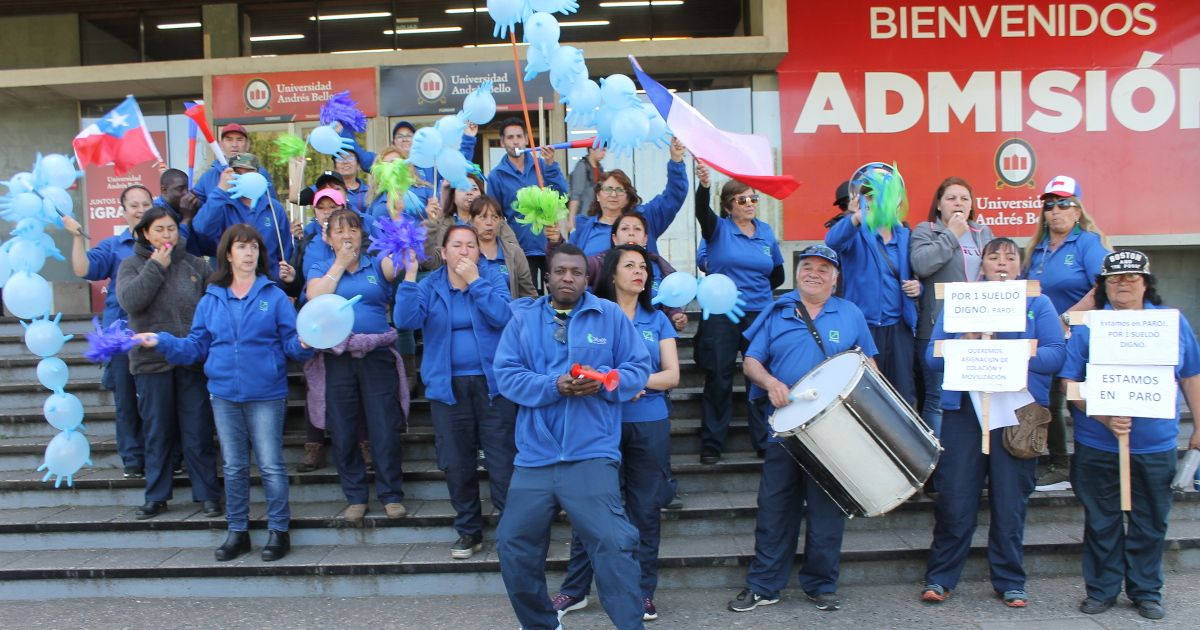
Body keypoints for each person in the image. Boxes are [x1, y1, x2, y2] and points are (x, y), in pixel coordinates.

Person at [493, 243, 651, 630]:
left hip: (591, 454)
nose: (568, 278)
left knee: (614, 544)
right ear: (548, 276)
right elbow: (507, 374)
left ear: (587, 278)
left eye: (576, 272)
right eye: (560, 271)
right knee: (513, 546)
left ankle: (631, 625)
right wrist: (553, 385)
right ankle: (541, 624)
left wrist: (607, 383)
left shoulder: (609, 315)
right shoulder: (522, 319)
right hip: (534, 458)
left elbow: (638, 366)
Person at [136, 224, 312, 562]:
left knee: (271, 465)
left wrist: (304, 344)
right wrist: (162, 340)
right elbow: (195, 347)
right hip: (224, 393)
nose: (249, 253)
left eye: (254, 248)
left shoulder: (273, 296)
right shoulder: (212, 298)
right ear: (228, 254)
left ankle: (279, 530)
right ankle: (238, 531)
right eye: (242, 247)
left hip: (266, 392)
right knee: (233, 466)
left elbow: (291, 343)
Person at [729, 245, 878, 614]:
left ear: (835, 277)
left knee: (827, 512)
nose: (814, 273)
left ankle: (822, 584)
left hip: (835, 433)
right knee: (775, 508)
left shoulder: (851, 313)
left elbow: (869, 366)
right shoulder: (779, 309)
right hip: (785, 430)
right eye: (807, 266)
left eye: (823, 268)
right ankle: (764, 584)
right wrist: (770, 383)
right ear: (797, 272)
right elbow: (751, 361)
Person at [920, 237, 1065, 608]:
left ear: (1021, 266)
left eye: (1010, 257)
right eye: (993, 256)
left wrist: (1008, 353)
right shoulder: (961, 302)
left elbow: (1055, 355)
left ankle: (1010, 580)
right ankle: (941, 577)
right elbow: (932, 359)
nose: (1002, 262)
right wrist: (963, 342)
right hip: (966, 414)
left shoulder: (1038, 302)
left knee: (1009, 502)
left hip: (1017, 416)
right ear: (980, 265)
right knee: (955, 499)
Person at [1060, 250, 1200, 621]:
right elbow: (1069, 384)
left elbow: (1190, 374)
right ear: (1104, 286)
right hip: (1098, 442)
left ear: (1146, 283)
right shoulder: (1088, 326)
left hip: (1155, 443)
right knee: (1102, 520)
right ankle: (1102, 589)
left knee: (1151, 521)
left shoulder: (1171, 324)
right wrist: (1104, 417)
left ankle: (1146, 590)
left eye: (1131, 278)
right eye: (1115, 279)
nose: (1123, 284)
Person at [552, 244, 680, 622]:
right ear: (611, 273)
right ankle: (575, 590)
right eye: (630, 265)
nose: (639, 272)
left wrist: (633, 380)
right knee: (590, 509)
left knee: (644, 509)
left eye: (643, 267)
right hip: (598, 425)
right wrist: (619, 382)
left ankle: (642, 593)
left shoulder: (657, 319)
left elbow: (672, 374)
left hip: (647, 422)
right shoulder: (593, 315)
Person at [394, 225, 515, 559]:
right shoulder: (430, 285)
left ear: (479, 251)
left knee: (502, 461)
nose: (464, 252)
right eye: (457, 245)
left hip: (493, 386)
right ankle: (468, 530)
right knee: (457, 463)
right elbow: (405, 320)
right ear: (443, 253)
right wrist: (409, 276)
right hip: (447, 389)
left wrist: (476, 282)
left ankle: (511, 531)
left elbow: (504, 316)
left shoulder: (491, 277)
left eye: (471, 246)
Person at [116, 206, 224, 520]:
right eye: (160, 230)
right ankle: (157, 495)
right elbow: (131, 302)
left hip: (191, 360)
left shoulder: (195, 264)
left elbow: (211, 306)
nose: (167, 235)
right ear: (145, 233)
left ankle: (207, 495)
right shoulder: (131, 265)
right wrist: (155, 267)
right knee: (157, 431)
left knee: (197, 431)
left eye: (172, 229)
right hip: (152, 363)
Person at [306, 209, 407, 524]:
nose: (346, 234)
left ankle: (391, 494)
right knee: (344, 427)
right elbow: (314, 298)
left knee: (384, 425)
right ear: (328, 238)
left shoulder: (375, 263)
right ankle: (356, 495)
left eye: (352, 228)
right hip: (339, 357)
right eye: (339, 230)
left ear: (362, 234)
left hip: (376, 354)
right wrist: (339, 263)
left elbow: (400, 262)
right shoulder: (321, 266)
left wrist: (401, 222)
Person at [1022, 175, 1111, 491]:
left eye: (1063, 204)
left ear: (1077, 210)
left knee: (1073, 396)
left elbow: (1103, 286)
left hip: (1079, 336)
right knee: (1049, 397)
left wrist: (1066, 319)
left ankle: (1079, 463)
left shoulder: (1087, 242)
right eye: (1049, 205)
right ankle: (1056, 460)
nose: (1055, 211)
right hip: (1044, 337)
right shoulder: (1038, 249)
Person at [693, 164, 785, 462]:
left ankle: (763, 440)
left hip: (758, 312)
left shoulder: (767, 231)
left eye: (753, 199)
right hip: (722, 313)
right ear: (728, 206)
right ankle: (712, 444)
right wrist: (704, 186)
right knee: (719, 376)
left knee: (758, 377)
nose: (749, 204)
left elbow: (778, 274)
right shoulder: (718, 229)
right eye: (742, 200)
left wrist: (755, 293)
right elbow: (701, 213)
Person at [62, 185, 148, 479]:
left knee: (156, 402)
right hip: (120, 337)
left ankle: (164, 455)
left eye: (145, 204)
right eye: (134, 205)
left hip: (156, 334)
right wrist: (76, 237)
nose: (140, 210)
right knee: (126, 401)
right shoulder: (113, 246)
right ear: (123, 211)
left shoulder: (165, 243)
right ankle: (133, 459)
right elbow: (82, 268)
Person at [826, 163, 921, 409]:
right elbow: (832, 243)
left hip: (899, 327)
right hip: (864, 327)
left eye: (882, 194)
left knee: (904, 396)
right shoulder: (855, 232)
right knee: (865, 396)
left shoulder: (906, 235)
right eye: (869, 194)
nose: (876, 200)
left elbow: (919, 270)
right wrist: (856, 217)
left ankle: (906, 447)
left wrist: (917, 287)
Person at [910, 177, 995, 436]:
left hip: (979, 331)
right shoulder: (925, 231)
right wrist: (951, 235)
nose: (958, 203)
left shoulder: (984, 233)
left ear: (972, 205)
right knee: (937, 399)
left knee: (978, 397)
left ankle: (972, 459)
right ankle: (937, 464)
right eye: (951, 198)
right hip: (938, 328)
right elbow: (921, 265)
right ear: (938, 205)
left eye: (964, 198)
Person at [550, 212, 688, 331]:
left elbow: (670, 299)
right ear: (614, 238)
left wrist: (675, 315)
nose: (631, 233)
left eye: (637, 229)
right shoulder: (600, 262)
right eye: (625, 229)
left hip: (649, 333)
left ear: (645, 238)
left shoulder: (659, 266)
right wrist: (556, 242)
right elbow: (572, 265)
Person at [556, 138, 688, 257]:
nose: (613, 194)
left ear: (627, 196)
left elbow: (673, 196)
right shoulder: (584, 228)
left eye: (619, 190)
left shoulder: (646, 218)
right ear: (597, 195)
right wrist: (554, 241)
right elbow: (569, 261)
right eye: (608, 189)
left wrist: (676, 160)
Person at [487, 118, 568, 290]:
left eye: (519, 136)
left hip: (549, 243)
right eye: (510, 137)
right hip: (519, 249)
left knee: (559, 293)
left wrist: (551, 165)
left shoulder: (543, 164)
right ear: (502, 142)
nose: (515, 141)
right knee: (528, 297)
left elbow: (563, 194)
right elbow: (495, 215)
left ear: (526, 139)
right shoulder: (496, 176)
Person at [192, 152, 294, 279]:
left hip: (268, 287)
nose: (243, 177)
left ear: (258, 174)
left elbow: (287, 252)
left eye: (248, 172)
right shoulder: (222, 205)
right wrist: (220, 190)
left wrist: (286, 284)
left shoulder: (273, 207)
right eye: (237, 173)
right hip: (231, 286)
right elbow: (201, 228)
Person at [468, 196, 537, 298]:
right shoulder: (465, 251)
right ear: (471, 220)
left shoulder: (514, 253)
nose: (489, 223)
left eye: (495, 217)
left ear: (501, 221)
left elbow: (528, 294)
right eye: (482, 217)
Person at [191, 123, 274, 204]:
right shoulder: (209, 176)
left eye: (239, 139)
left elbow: (271, 207)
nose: (234, 145)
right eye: (229, 140)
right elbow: (197, 209)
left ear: (247, 145)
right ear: (221, 145)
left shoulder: (260, 173)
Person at [568, 145, 605, 230]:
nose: (604, 153)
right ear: (591, 150)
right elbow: (575, 194)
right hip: (583, 216)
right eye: (602, 150)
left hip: (596, 216)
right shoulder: (582, 166)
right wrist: (571, 219)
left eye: (605, 150)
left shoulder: (600, 168)